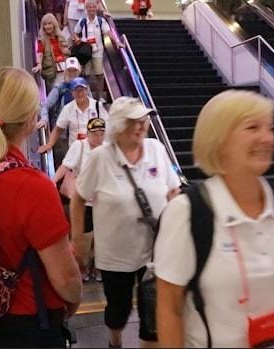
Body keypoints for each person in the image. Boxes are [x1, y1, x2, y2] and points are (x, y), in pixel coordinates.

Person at [154, 90, 274, 348]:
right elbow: (170, 307)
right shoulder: (188, 212)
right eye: (252, 127)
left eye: (269, 127)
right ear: (220, 141)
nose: (267, 138)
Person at [0, 67, 82, 348]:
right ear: (30, 120)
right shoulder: (33, 187)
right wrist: (74, 296)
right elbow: (65, 277)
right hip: (28, 327)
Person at [71, 97, 181, 348]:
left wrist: (174, 230)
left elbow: (173, 190)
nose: (142, 126)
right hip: (115, 255)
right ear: (118, 126)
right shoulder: (100, 158)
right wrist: (77, 238)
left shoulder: (156, 149)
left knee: (152, 312)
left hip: (155, 251)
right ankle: (115, 340)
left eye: (145, 120)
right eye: (135, 121)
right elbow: (78, 197)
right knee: (118, 311)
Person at [54, 118, 106, 282]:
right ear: (88, 134)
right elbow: (66, 165)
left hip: (102, 201)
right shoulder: (80, 146)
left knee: (102, 238)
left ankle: (98, 267)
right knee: (81, 239)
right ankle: (81, 267)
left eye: (101, 134)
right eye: (95, 134)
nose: (98, 138)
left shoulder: (108, 149)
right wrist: (51, 182)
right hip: (83, 202)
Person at [38, 77, 108, 158]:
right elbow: (58, 129)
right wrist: (49, 145)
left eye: (82, 90)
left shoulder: (97, 106)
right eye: (77, 91)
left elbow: (109, 126)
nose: (80, 93)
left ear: (87, 90)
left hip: (95, 152)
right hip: (76, 154)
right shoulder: (68, 108)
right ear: (72, 93)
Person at [72, 0, 124, 100]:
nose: (91, 9)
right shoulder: (82, 21)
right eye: (89, 7)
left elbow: (108, 32)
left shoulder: (101, 21)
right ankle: (87, 96)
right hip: (85, 52)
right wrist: (77, 38)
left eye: (93, 7)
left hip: (98, 51)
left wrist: (117, 42)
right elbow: (74, 33)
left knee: (99, 74)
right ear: (86, 9)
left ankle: (100, 96)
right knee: (86, 74)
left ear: (96, 8)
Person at [39, 56, 85, 168]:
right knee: (70, 161)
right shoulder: (60, 88)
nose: (72, 73)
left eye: (75, 70)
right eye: (70, 70)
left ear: (79, 72)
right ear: (65, 72)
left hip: (82, 132)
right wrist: (44, 118)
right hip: (64, 133)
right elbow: (45, 105)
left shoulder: (85, 89)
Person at [32, 13, 70, 90]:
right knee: (56, 93)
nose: (47, 26)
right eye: (45, 24)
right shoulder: (42, 40)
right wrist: (39, 64)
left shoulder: (60, 37)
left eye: (49, 24)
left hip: (64, 70)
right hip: (52, 72)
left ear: (54, 24)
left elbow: (67, 51)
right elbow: (40, 52)